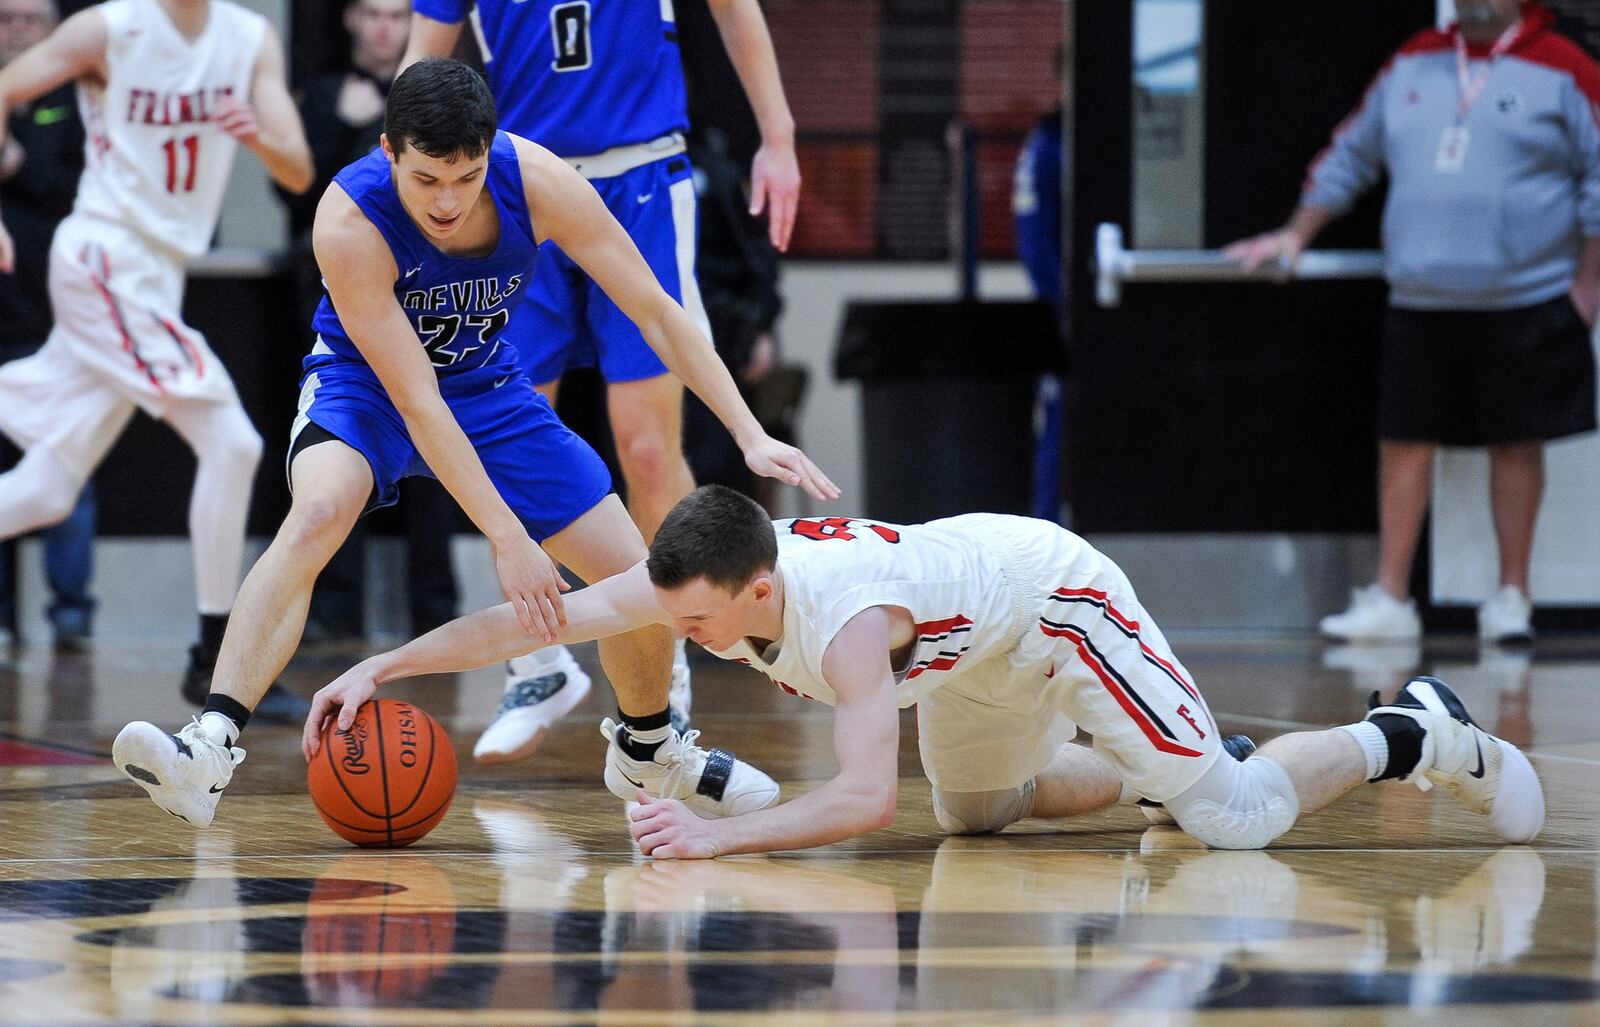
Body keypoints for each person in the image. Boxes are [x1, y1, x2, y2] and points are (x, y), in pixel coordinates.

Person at [112, 58, 837, 829]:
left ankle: (649, 749)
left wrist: (748, 429)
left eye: (466, 176)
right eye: (427, 180)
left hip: (488, 389)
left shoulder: (540, 182)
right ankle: (208, 748)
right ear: (389, 153)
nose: (448, 201)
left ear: (492, 149)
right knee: (322, 508)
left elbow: (656, 311)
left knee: (639, 574)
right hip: (370, 388)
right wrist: (506, 534)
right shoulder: (349, 221)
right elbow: (417, 400)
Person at [304, 484, 1546, 858]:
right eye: (667, 618)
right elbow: (529, 624)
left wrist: (706, 838)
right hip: (972, 663)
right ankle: (1151, 769)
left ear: (756, 588)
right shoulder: (701, 578)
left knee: (1236, 821)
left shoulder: (842, 624)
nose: (679, 638)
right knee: (978, 816)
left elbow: (859, 803)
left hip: (1060, 607)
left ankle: (1415, 731)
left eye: (697, 623)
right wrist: (383, 667)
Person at [401, 0, 802, 760]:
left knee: (648, 449)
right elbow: (420, 71)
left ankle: (670, 667)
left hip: (641, 176)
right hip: (518, 190)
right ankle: (537, 661)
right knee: (502, 438)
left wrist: (777, 137)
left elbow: (739, 13)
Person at [1227, 0, 1600, 645]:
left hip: (1525, 295)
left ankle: (1513, 598)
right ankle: (1391, 598)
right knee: (1404, 440)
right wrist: (1297, 233)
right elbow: (1351, 153)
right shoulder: (1413, 60)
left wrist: (1588, 290)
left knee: (1516, 442)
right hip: (1420, 297)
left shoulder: (1566, 69)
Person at [0, 0, 315, 715]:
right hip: (107, 256)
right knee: (233, 443)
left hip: (156, 273)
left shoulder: (249, 39)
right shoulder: (109, 30)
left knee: (45, 491)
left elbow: (298, 171)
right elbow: (5, 87)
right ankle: (215, 663)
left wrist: (256, 135)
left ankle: (213, 659)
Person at [282, 0, 460, 641]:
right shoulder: (324, 94)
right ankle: (332, 612)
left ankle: (437, 609)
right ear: (351, 22)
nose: (386, 29)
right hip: (334, 303)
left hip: (428, 303)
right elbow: (299, 191)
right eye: (374, 15)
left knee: (436, 449)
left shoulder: (439, 100)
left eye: (397, 16)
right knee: (337, 454)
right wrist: (340, 126)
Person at [0, 0, 94, 648]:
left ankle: (71, 622)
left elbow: (79, 184)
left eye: (30, 19)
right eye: (5, 18)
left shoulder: (77, 98)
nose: (17, 31)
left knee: (68, 474)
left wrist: (15, 161)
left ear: (54, 28)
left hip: (61, 321)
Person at [1012, 46, 1068, 524]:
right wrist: (1065, 306)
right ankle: (1049, 528)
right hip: (1063, 315)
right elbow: (1034, 241)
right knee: (1058, 423)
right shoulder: (1048, 145)